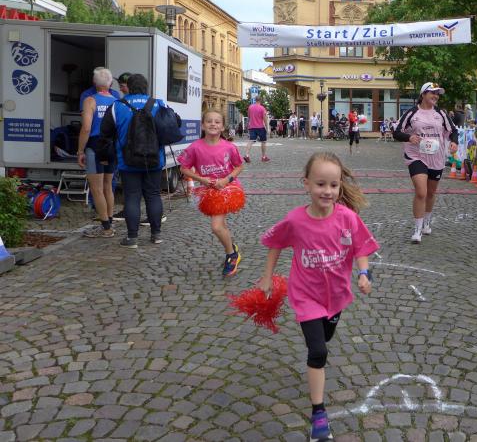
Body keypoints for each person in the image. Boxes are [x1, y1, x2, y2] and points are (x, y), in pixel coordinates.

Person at [257, 152, 378, 442]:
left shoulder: (347, 218)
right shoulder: (296, 220)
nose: (327, 191)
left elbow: (361, 248)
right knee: (318, 352)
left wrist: (364, 273)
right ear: (306, 184)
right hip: (305, 296)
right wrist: (267, 277)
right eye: (320, 184)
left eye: (333, 185)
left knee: (325, 337)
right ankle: (319, 414)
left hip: (336, 295)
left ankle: (317, 347)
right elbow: (275, 244)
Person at [99, 74, 166, 248]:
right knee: (153, 195)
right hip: (154, 159)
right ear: (146, 87)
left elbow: (104, 133)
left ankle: (132, 238)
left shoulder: (117, 106)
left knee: (132, 197)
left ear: (128, 87)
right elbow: (173, 126)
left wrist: (106, 156)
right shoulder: (158, 104)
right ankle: (156, 234)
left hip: (127, 161)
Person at [178, 111, 245, 278]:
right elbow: (183, 168)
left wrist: (226, 179)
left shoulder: (229, 147)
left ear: (222, 127)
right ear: (202, 125)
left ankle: (232, 255)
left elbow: (239, 166)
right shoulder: (195, 147)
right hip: (210, 192)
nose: (213, 124)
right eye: (209, 121)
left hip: (228, 189)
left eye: (217, 122)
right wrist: (201, 179)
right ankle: (232, 248)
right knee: (221, 225)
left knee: (216, 226)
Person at [393, 82, 458, 243]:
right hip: (416, 156)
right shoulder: (412, 113)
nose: (435, 96)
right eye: (432, 92)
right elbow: (396, 132)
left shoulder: (441, 113)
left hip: (436, 158)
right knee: (421, 192)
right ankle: (417, 230)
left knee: (430, 193)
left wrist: (454, 142)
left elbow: (453, 131)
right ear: (423, 94)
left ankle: (427, 222)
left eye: (437, 93)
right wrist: (409, 137)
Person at [77, 67, 117, 238]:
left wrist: (80, 150)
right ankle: (110, 221)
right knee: (108, 185)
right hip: (112, 147)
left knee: (96, 189)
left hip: (95, 146)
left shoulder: (90, 100)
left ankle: (106, 228)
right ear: (110, 83)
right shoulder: (117, 101)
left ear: (94, 82)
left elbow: (86, 128)